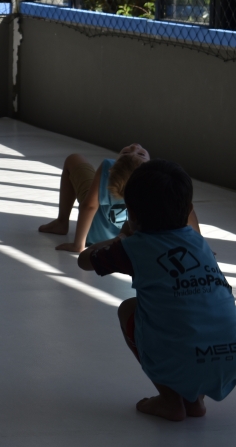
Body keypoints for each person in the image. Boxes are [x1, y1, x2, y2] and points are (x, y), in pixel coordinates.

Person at [78, 160, 236, 422]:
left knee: (129, 309)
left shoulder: (133, 248)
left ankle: (170, 401)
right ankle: (195, 400)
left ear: (130, 212)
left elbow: (84, 261)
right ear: (189, 209)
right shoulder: (198, 242)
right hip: (230, 358)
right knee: (197, 311)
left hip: (184, 359)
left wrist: (121, 237)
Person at [40, 144, 154, 253]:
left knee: (73, 159)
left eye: (140, 154)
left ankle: (62, 222)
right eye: (126, 152)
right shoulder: (151, 182)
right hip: (121, 240)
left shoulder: (108, 166)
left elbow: (89, 206)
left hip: (90, 233)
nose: (135, 147)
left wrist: (78, 245)